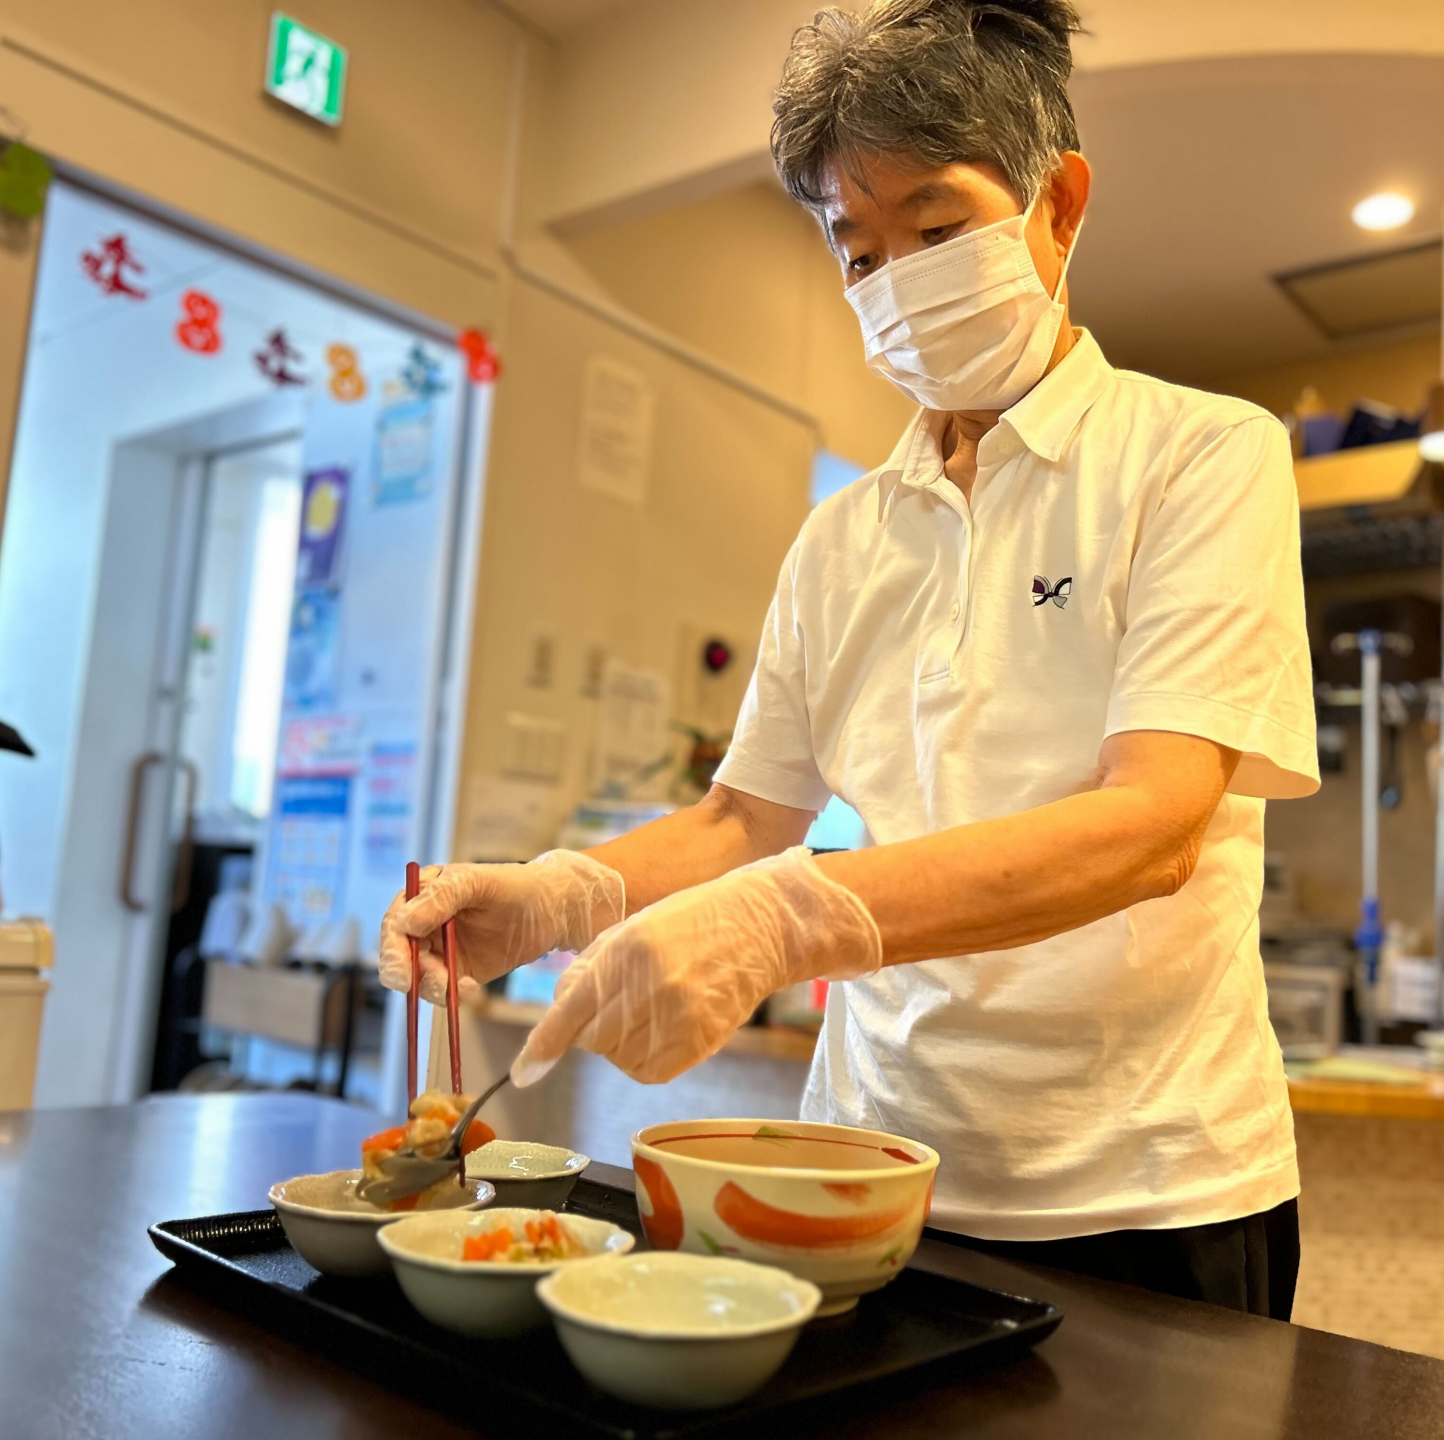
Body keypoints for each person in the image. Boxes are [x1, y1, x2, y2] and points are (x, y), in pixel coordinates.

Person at [377, 0, 1317, 1320]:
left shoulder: (1200, 456)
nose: (897, 283)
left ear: (1059, 206)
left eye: (937, 230)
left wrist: (790, 917)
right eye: (858, 251)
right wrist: (555, 899)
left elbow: (1152, 826)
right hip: (864, 1172)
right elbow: (743, 818)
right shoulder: (842, 535)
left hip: (1149, 1189)